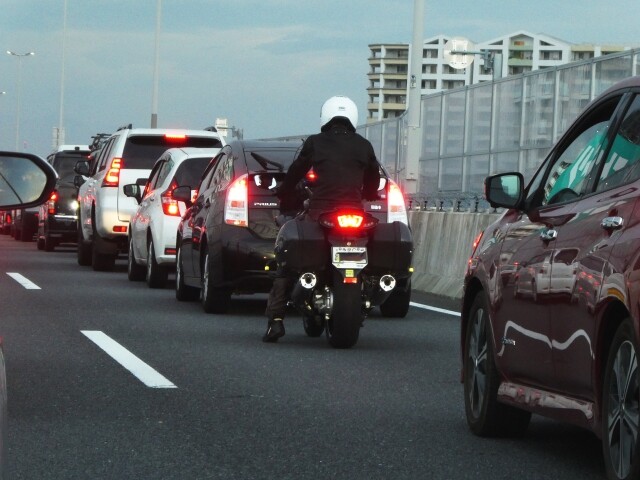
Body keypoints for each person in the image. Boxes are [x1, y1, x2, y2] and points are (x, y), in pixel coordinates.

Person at [263, 95, 381, 342]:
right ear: (353, 118)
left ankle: (276, 321)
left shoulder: (315, 142)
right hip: (355, 213)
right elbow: (373, 178)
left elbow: (297, 170)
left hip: (320, 212)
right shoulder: (364, 145)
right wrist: (369, 193)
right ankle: (367, 292)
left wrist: (284, 190)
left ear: (325, 117)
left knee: (286, 261)